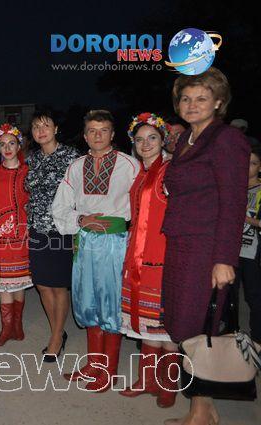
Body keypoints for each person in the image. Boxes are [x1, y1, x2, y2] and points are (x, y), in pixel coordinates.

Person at [162, 67, 249, 425]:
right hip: (181, 243)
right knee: (184, 323)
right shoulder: (186, 139)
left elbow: (233, 202)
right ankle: (204, 406)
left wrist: (224, 259)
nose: (192, 104)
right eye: (186, 98)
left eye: (201, 98)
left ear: (218, 102)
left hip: (207, 248)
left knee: (200, 325)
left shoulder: (226, 139)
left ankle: (200, 411)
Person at [52, 109, 140, 391]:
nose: (97, 135)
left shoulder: (130, 165)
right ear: (85, 135)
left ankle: (109, 370)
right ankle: (94, 364)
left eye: (103, 130)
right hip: (86, 241)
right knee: (87, 299)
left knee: (110, 302)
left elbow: (142, 206)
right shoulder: (76, 167)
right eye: (92, 130)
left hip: (115, 242)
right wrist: (80, 220)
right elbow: (60, 206)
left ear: (113, 134)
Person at [118, 113, 178, 408]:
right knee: (147, 321)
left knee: (166, 323)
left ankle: (168, 384)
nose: (145, 144)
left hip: (163, 255)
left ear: (163, 140)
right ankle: (147, 380)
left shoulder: (171, 172)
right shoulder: (141, 173)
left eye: (152, 138)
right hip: (138, 255)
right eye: (139, 139)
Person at [24, 110, 79, 361]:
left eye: (46, 126)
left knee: (58, 285)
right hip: (37, 228)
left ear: (56, 129)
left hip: (61, 229)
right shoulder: (32, 159)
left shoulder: (71, 156)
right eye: (36, 127)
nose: (41, 131)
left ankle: (56, 336)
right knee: (42, 284)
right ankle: (56, 328)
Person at [0, 123, 32, 347]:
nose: (7, 148)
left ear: (19, 145)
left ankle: (17, 325)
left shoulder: (28, 172)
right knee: (4, 284)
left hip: (22, 236)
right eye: (2, 144)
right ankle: (6, 329)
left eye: (11, 143)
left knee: (19, 283)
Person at [233, 146, 261, 344]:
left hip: (253, 252)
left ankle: (257, 340)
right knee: (229, 296)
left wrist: (244, 218)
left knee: (254, 296)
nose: (247, 166)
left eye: (253, 163)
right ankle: (231, 334)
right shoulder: (234, 187)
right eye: (245, 162)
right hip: (231, 250)